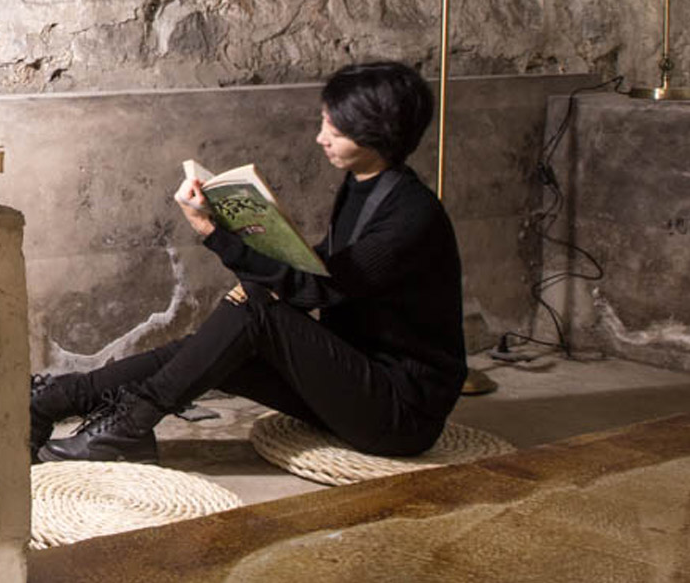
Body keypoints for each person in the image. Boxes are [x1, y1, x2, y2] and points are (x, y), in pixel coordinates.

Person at [30, 60, 465, 464]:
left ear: (376, 131)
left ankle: (127, 426)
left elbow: (318, 290)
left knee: (254, 307)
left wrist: (213, 234)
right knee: (219, 346)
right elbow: (321, 273)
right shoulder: (360, 185)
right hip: (355, 379)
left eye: (334, 128)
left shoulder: (411, 213)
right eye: (324, 122)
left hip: (400, 412)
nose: (320, 137)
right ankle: (56, 400)